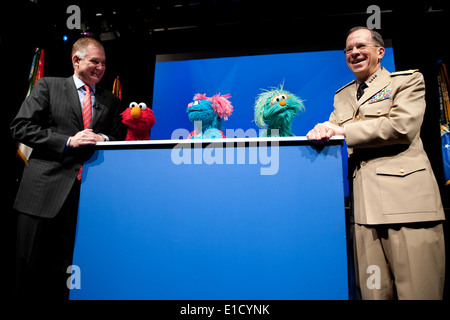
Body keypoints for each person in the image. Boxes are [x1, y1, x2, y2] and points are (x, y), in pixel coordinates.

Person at [306, 26, 445, 299]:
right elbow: (333, 130)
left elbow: (402, 126)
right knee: (373, 294)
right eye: (349, 49)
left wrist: (342, 130)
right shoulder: (342, 96)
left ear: (380, 52)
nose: (354, 52)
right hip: (363, 215)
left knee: (418, 293)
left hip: (407, 208)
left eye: (361, 46)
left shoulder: (407, 81)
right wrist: (319, 131)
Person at [10, 37, 125, 300]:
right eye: (94, 61)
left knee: (67, 271)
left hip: (86, 199)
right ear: (76, 60)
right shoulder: (48, 86)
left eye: (104, 63)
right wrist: (68, 141)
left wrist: (103, 139)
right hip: (42, 195)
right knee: (30, 270)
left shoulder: (110, 100)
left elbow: (116, 135)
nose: (100, 67)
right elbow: (20, 126)